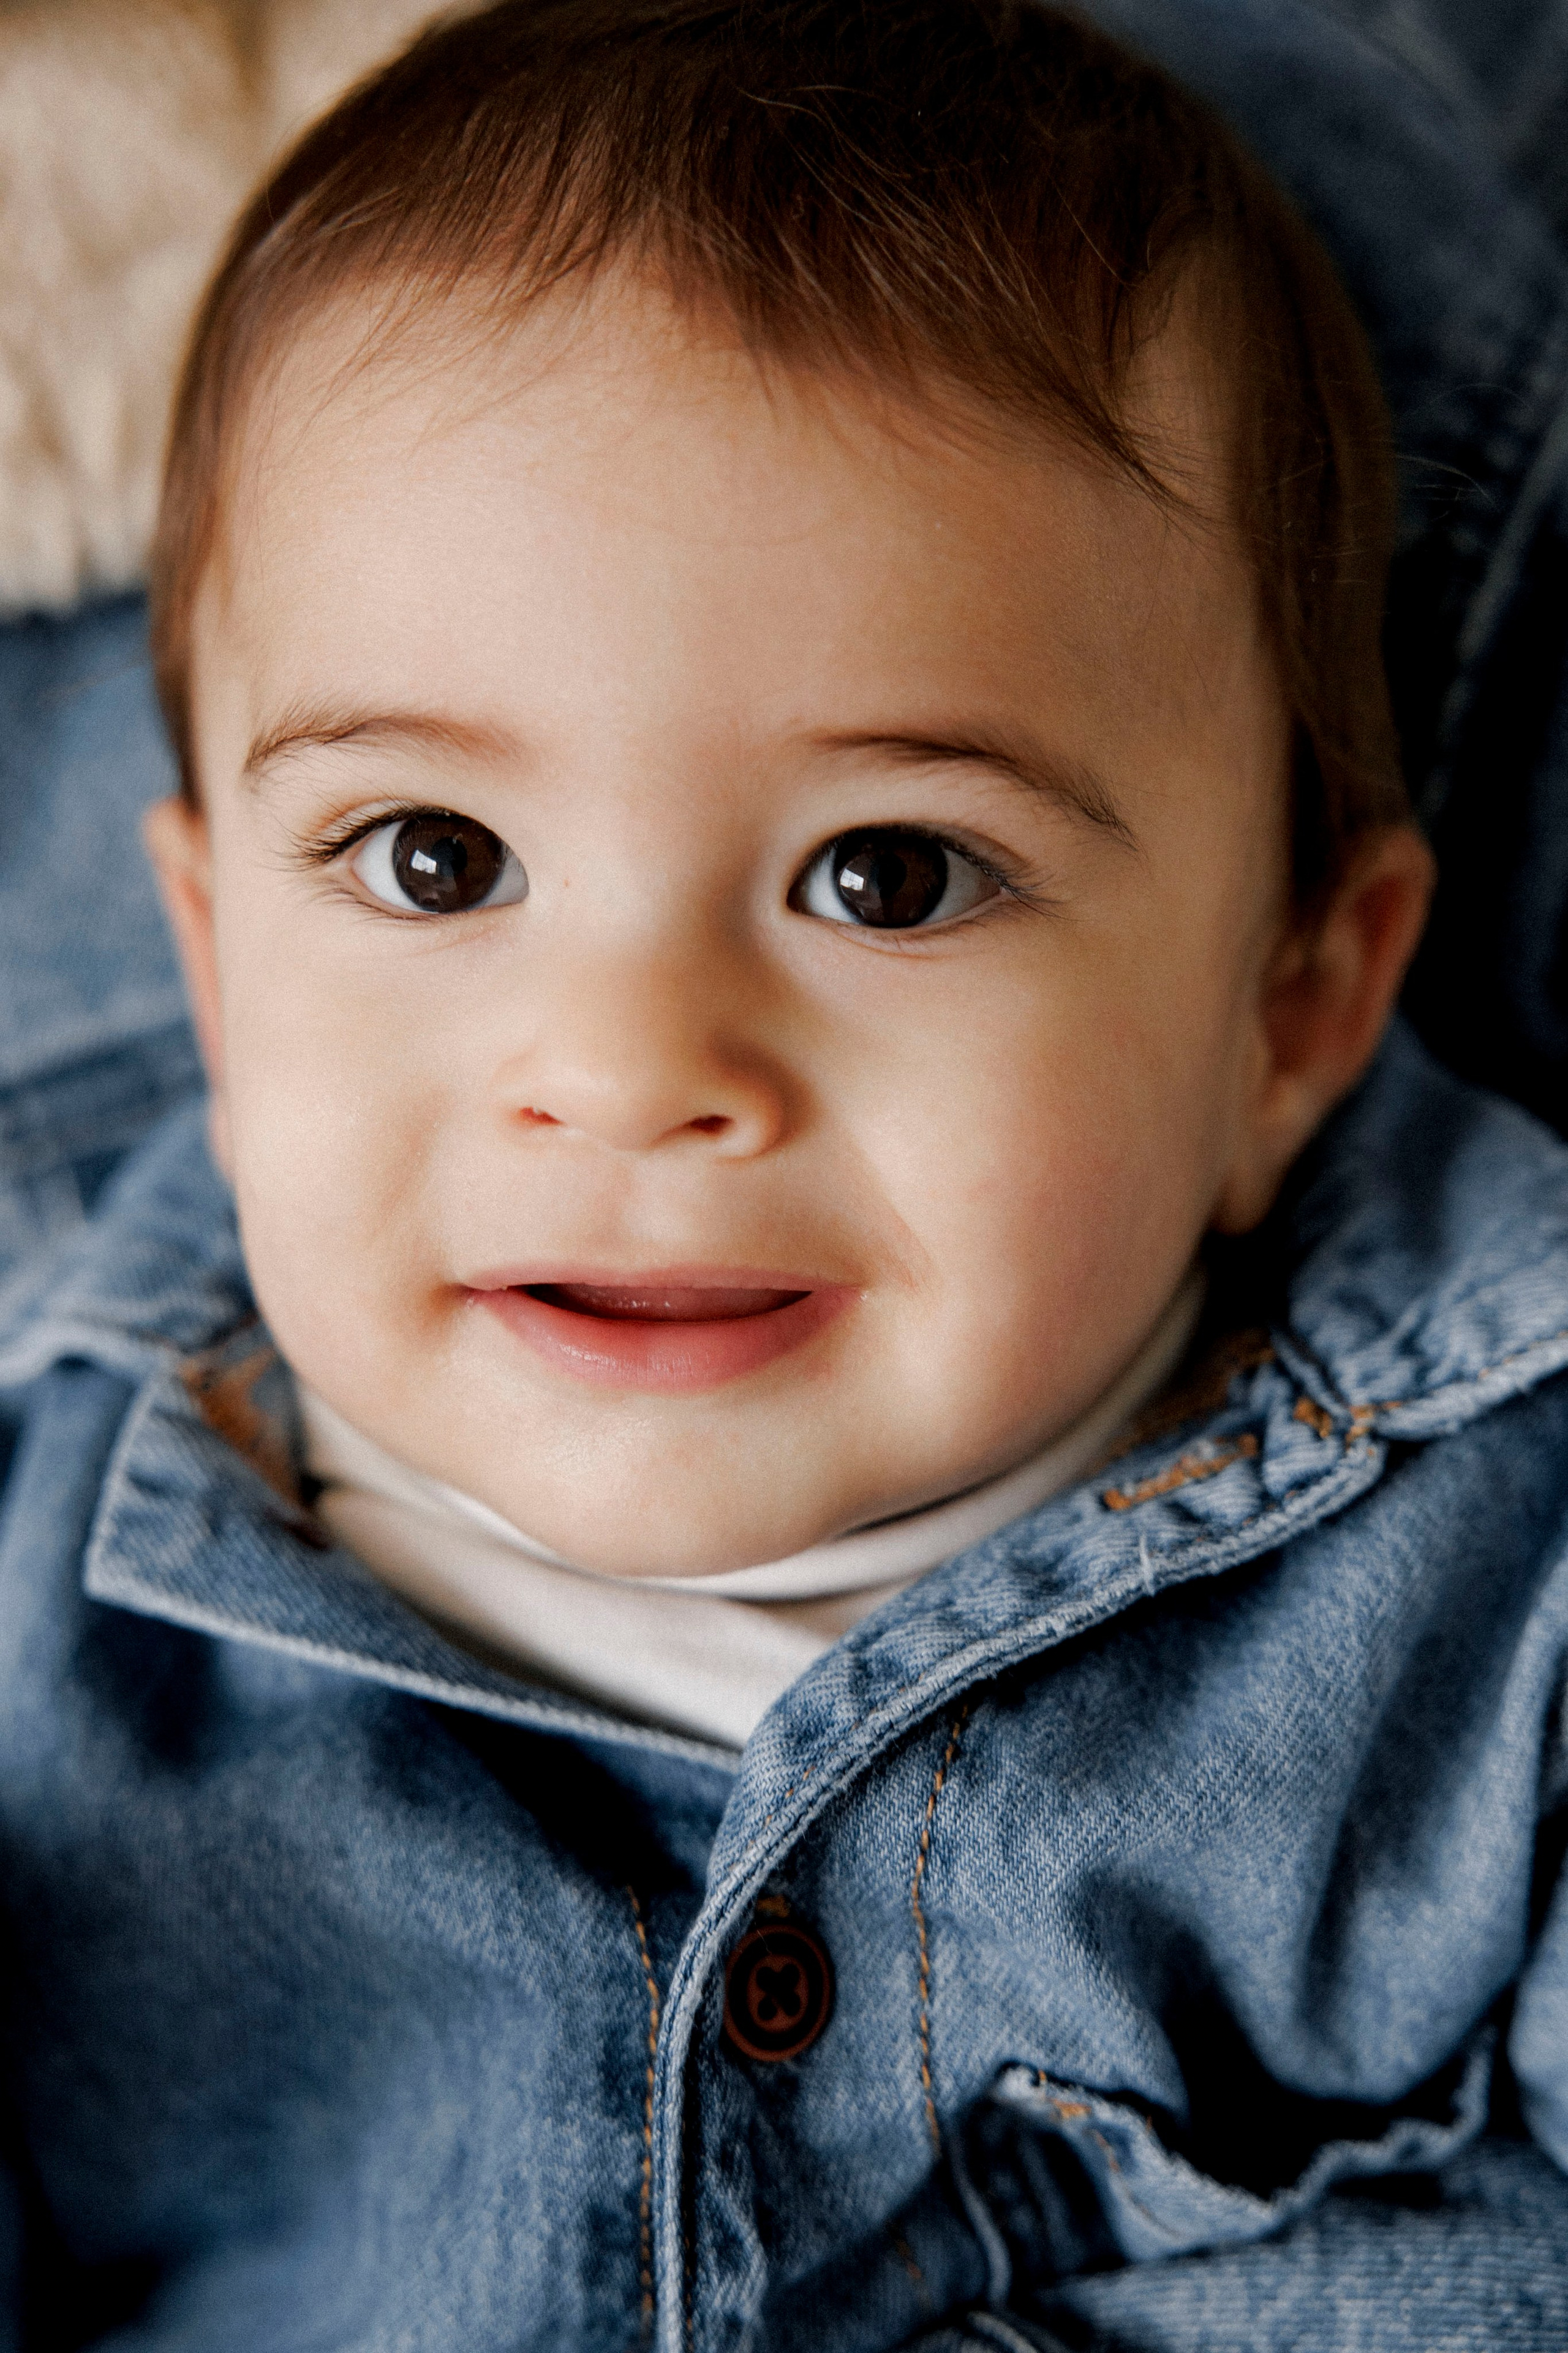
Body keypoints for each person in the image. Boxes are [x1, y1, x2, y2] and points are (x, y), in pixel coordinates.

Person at [1, 2, 1565, 2345]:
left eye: (891, 877)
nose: (633, 1075)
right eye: (435, 858)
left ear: (1290, 1008)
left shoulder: (1495, 1599)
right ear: (213, 973)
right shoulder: (57, 1614)